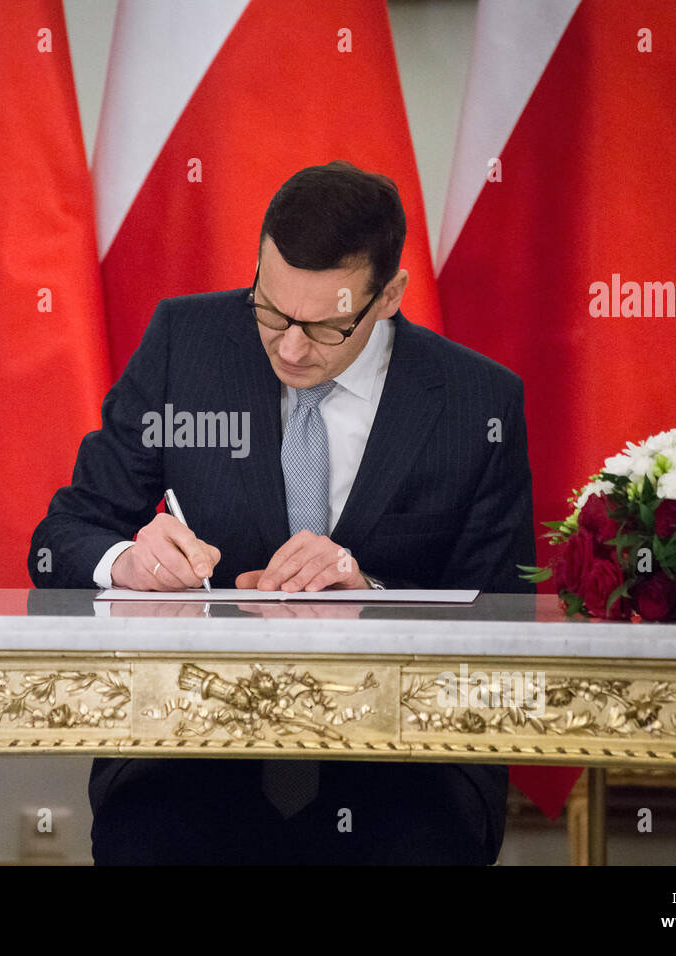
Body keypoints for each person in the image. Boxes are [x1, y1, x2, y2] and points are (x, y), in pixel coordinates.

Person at [29, 160, 535, 865]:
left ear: (388, 296)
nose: (290, 348)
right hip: (193, 741)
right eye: (271, 311)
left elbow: (506, 620)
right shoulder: (186, 344)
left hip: (402, 753)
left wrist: (376, 597)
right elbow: (61, 538)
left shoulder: (478, 402)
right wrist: (128, 562)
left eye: (324, 326)